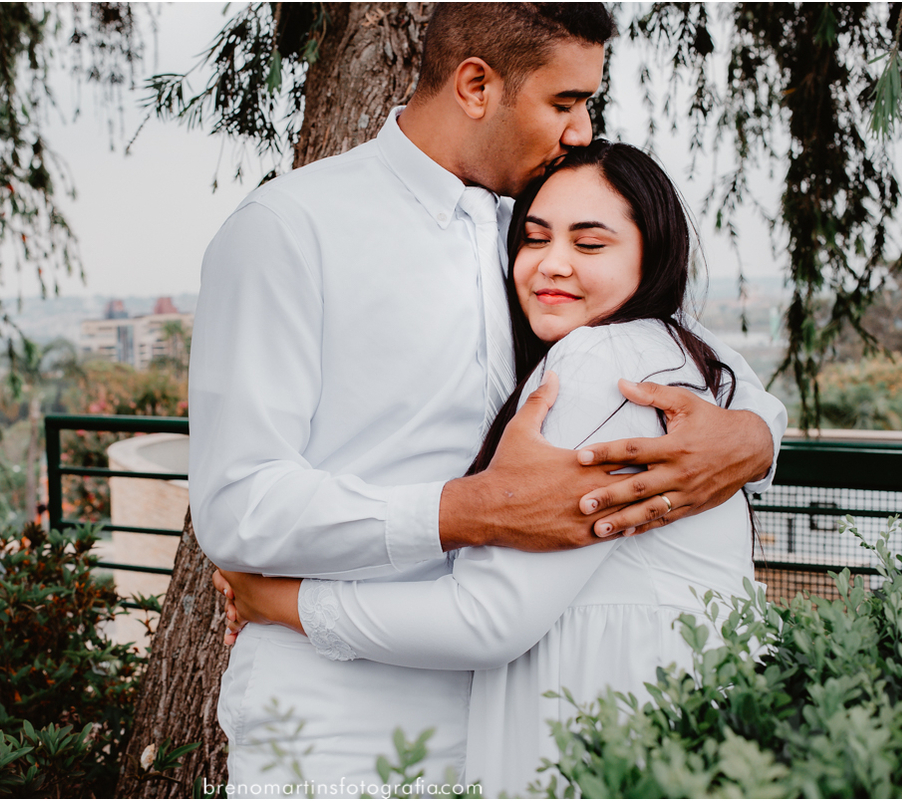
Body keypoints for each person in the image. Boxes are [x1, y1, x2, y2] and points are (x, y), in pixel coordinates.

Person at [189, 3, 786, 795]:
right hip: (339, 726)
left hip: (515, 722)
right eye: (565, 103)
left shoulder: (540, 231)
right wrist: (471, 509)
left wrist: (749, 440)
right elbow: (239, 503)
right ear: (477, 85)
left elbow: (689, 356)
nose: (581, 131)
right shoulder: (291, 229)